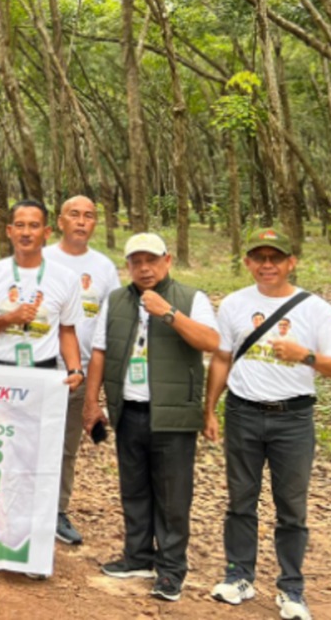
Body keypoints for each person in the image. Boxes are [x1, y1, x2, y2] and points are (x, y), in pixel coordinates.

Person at [205, 229, 331, 620]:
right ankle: (239, 576)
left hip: (293, 417)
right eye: (259, 257)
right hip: (243, 414)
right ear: (248, 263)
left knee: (291, 507)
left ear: (292, 262)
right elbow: (222, 358)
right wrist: (209, 409)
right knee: (241, 501)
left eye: (276, 258)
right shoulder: (234, 304)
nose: (267, 265)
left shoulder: (315, 309)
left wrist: (305, 356)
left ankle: (291, 589)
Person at [84, 232, 219, 602]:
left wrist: (169, 314)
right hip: (129, 411)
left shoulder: (191, 298)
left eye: (151, 260)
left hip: (173, 415)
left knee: (173, 497)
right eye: (136, 262)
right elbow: (99, 351)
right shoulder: (115, 301)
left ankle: (171, 569)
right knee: (135, 490)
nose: (144, 268)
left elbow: (211, 342)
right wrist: (92, 403)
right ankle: (138, 557)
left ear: (168, 261)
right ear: (127, 266)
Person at [0, 199, 85, 550]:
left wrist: (75, 368)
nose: (26, 232)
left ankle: (28, 540)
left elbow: (67, 330)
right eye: (19, 225)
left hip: (42, 377)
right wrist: (9, 317)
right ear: (9, 231)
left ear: (47, 232)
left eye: (33, 226)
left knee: (34, 457)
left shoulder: (64, 279)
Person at [43, 195, 122, 546]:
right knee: (27, 440)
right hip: (40, 368)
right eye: (73, 214)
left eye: (88, 216)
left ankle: (56, 510)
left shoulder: (104, 267)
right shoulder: (41, 259)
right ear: (60, 221)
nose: (80, 221)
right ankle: (16, 509)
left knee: (65, 446)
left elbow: (112, 322)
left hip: (81, 371)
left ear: (95, 223)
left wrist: (102, 385)